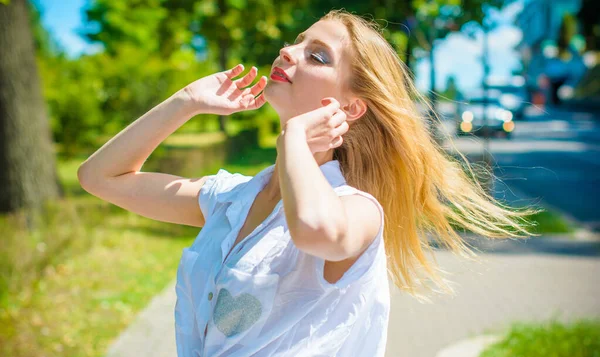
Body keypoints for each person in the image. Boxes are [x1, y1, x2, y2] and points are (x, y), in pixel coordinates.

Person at [78, 9, 533, 357]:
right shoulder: (230, 199)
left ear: (350, 108)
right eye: (296, 43)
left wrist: (293, 139)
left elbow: (314, 229)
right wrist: (185, 101)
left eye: (316, 55)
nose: (288, 53)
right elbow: (100, 177)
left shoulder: (357, 210)